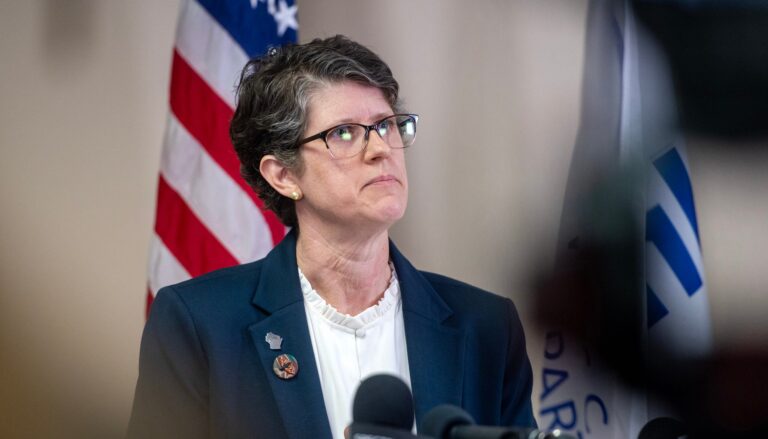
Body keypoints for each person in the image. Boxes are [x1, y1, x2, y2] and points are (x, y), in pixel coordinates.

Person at [126, 35, 536, 439]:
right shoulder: (200, 324)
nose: (381, 149)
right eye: (344, 133)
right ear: (284, 175)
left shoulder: (487, 327)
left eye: (387, 125)